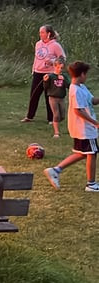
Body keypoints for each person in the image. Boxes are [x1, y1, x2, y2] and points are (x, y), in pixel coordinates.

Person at [43, 61, 99, 192]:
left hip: (83, 128)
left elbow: (92, 101)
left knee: (82, 153)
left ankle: (55, 170)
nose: (87, 77)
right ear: (82, 74)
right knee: (92, 153)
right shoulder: (75, 90)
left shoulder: (81, 87)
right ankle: (91, 184)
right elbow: (77, 110)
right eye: (86, 74)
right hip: (84, 128)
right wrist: (95, 123)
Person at [22, 24, 66, 123]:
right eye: (40, 32)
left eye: (42, 32)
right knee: (34, 95)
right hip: (38, 72)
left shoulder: (55, 45)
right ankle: (29, 116)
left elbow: (62, 58)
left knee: (49, 96)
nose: (40, 34)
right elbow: (36, 58)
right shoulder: (38, 44)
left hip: (50, 74)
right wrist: (34, 69)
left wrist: (53, 61)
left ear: (48, 33)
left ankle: (51, 118)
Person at [43, 57, 69, 138]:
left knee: (62, 116)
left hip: (61, 98)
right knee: (56, 115)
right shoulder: (51, 76)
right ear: (54, 66)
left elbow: (69, 86)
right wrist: (45, 81)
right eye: (58, 67)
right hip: (53, 97)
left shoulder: (64, 76)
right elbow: (46, 87)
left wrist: (64, 80)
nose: (60, 69)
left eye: (61, 68)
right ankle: (56, 132)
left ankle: (56, 122)